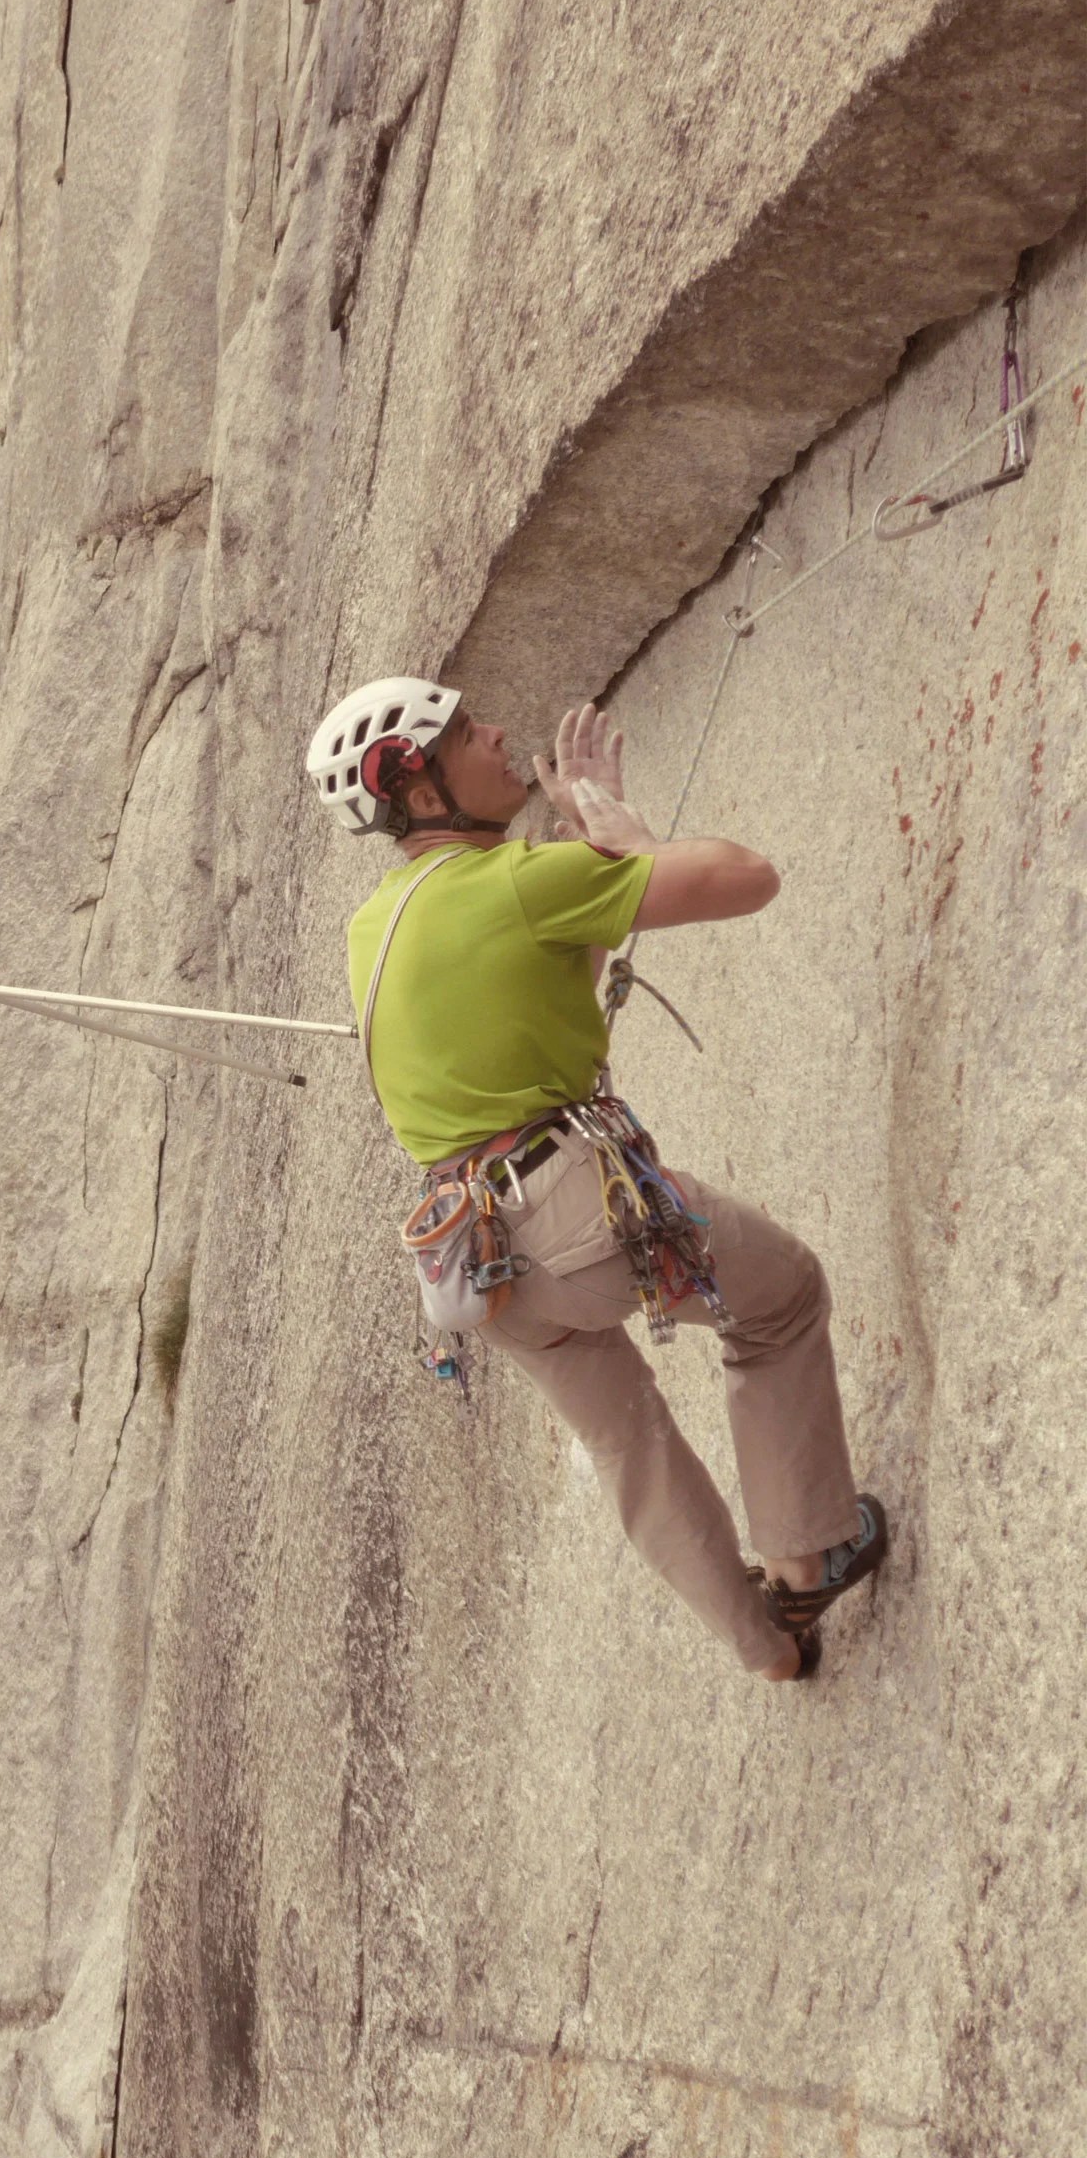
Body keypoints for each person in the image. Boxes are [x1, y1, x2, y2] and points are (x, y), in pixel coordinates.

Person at [305, 676, 886, 1681]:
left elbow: (545, 982)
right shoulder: (520, 882)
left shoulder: (372, 931)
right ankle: (804, 1553)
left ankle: (764, 1646)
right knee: (779, 1297)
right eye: (464, 732)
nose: (496, 732)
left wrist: (591, 864)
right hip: (578, 1211)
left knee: (629, 1449)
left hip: (479, 1267)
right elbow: (747, 877)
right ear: (415, 778)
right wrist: (621, 833)